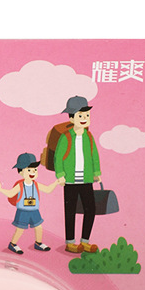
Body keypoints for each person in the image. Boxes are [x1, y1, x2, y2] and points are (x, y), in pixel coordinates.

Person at [54, 95, 101, 253]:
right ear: (71, 118)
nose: (84, 118)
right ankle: (70, 242)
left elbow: (94, 155)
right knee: (70, 211)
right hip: (70, 181)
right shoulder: (66, 137)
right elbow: (58, 157)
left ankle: (85, 241)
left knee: (90, 209)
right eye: (80, 116)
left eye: (87, 115)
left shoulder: (89, 136)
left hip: (86, 179)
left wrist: (96, 172)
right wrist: (60, 175)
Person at [0, 153, 64, 254]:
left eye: (35, 170)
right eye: (29, 170)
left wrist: (56, 182)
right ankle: (13, 244)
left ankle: (38, 243)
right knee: (20, 229)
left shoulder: (36, 184)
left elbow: (47, 189)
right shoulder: (20, 185)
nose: (33, 172)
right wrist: (1, 190)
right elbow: (11, 193)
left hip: (34, 211)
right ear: (21, 171)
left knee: (39, 227)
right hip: (23, 211)